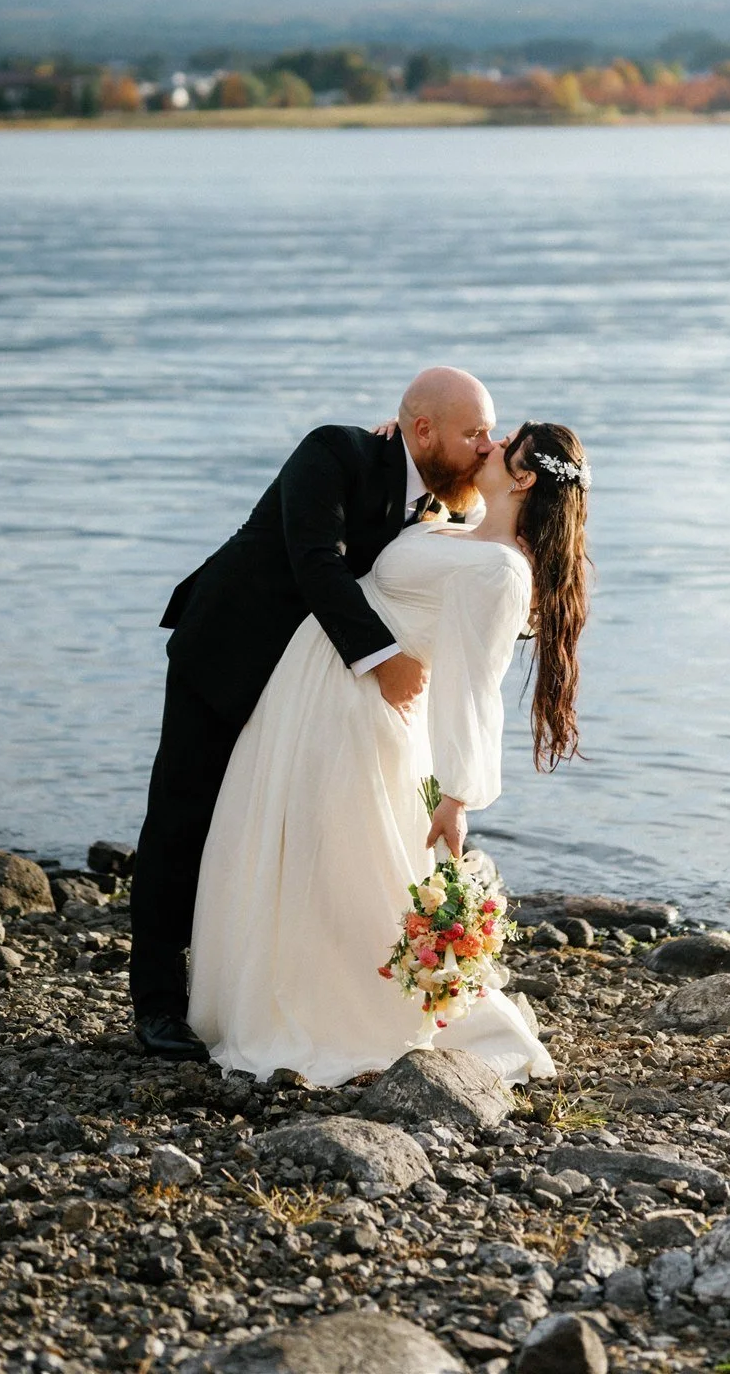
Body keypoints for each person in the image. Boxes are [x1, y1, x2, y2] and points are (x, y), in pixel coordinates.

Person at [188, 421, 590, 1085]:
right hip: (310, 696)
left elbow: (470, 687)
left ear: (522, 478)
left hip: (358, 714)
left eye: (501, 442)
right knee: (303, 860)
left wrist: (457, 793)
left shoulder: (498, 570)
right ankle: (271, 996)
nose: (485, 444)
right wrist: (403, 437)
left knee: (338, 869)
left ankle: (343, 1020)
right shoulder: (462, 528)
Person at [130, 366, 498, 1059]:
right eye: (472, 432)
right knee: (183, 819)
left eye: (489, 433)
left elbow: (487, 580)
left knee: (281, 832)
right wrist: (382, 658)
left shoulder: (447, 502)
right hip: (230, 654)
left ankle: (278, 987)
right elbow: (316, 561)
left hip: (309, 696)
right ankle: (155, 1005)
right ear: (422, 431)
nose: (485, 445)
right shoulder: (334, 452)